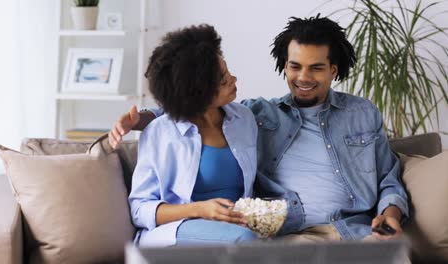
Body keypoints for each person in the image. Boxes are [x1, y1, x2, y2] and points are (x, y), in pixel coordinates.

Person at [112, 15, 408, 243]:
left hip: (356, 231)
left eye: (316, 68)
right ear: (284, 65)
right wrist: (143, 118)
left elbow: (388, 177)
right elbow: (188, 104)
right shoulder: (261, 114)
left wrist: (391, 213)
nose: (303, 77)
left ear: (334, 70)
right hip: (289, 233)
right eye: (294, 66)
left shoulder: (361, 113)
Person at [128, 24, 259, 247]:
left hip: (231, 229)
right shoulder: (161, 133)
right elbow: (140, 209)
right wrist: (200, 209)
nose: (234, 79)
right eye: (224, 80)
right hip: (174, 231)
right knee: (244, 240)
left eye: (228, 71)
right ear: (198, 92)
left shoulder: (244, 119)